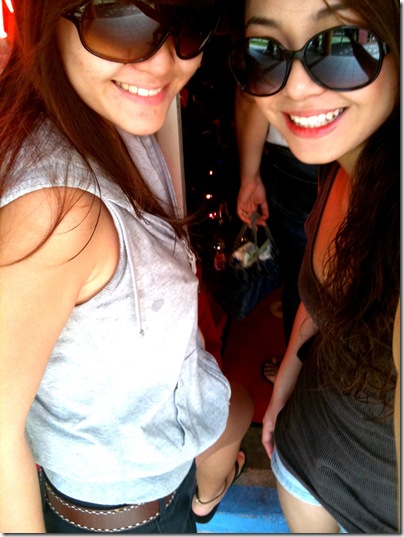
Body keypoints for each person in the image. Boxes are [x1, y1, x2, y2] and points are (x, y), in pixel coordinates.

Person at [0, 0, 253, 533]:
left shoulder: (109, 116)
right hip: (129, 517)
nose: (161, 63)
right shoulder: (58, 215)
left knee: (240, 411)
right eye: (121, 18)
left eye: (189, 21)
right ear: (47, 18)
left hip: (160, 465)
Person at [230, 0, 400, 532]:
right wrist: (288, 375)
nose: (296, 87)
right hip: (304, 454)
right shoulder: (341, 162)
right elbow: (322, 295)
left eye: (342, 44)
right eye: (266, 52)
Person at [235, 88, 318, 383]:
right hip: (372, 150)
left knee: (303, 273)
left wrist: (249, 178)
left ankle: (295, 373)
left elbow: (251, 95)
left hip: (296, 153)